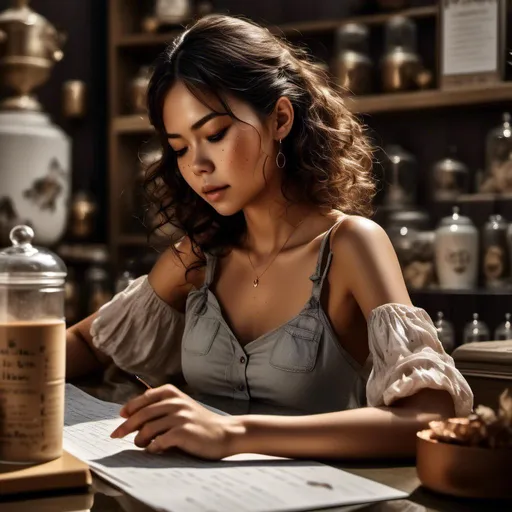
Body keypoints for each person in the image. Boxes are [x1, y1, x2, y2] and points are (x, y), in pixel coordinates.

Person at [66, 14, 473, 461]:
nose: (197, 165)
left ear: (279, 118)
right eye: (180, 148)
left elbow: (430, 418)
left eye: (215, 134)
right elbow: (90, 342)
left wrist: (234, 433)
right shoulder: (201, 255)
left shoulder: (351, 245)